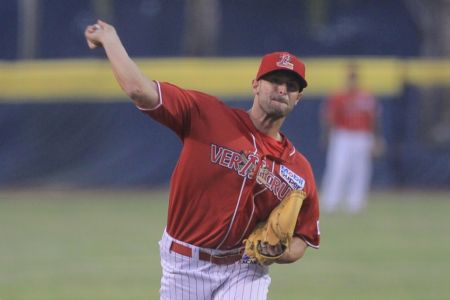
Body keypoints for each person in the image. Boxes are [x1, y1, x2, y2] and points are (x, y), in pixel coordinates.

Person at [85, 20, 320, 300]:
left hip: (245, 267)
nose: (282, 89)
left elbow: (303, 238)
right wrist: (110, 39)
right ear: (256, 85)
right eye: (275, 81)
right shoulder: (206, 115)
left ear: (299, 98)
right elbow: (139, 90)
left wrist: (279, 252)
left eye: (291, 86)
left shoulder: (298, 169)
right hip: (185, 264)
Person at [320, 63, 382, 214]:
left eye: (354, 77)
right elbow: (328, 118)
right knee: (338, 167)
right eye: (350, 77)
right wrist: (327, 136)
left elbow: (374, 119)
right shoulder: (338, 96)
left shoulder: (366, 96)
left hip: (362, 135)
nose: (352, 80)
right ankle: (331, 201)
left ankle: (355, 202)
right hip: (343, 135)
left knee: (360, 169)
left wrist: (375, 139)